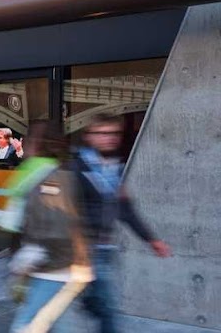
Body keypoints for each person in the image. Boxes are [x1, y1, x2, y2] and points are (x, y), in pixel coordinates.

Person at [67, 116, 171, 333]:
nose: (109, 138)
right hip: (83, 248)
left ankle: (81, 302)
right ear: (89, 137)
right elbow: (66, 209)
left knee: (99, 302)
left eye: (113, 134)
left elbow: (125, 210)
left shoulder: (114, 169)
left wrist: (151, 239)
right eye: (102, 133)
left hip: (105, 248)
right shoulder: (76, 168)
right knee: (107, 308)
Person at [5, 124, 92, 333]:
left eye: (29, 142)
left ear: (37, 145)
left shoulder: (49, 176)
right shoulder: (62, 172)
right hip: (65, 267)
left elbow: (55, 225)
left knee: (25, 325)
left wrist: (31, 256)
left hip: (55, 268)